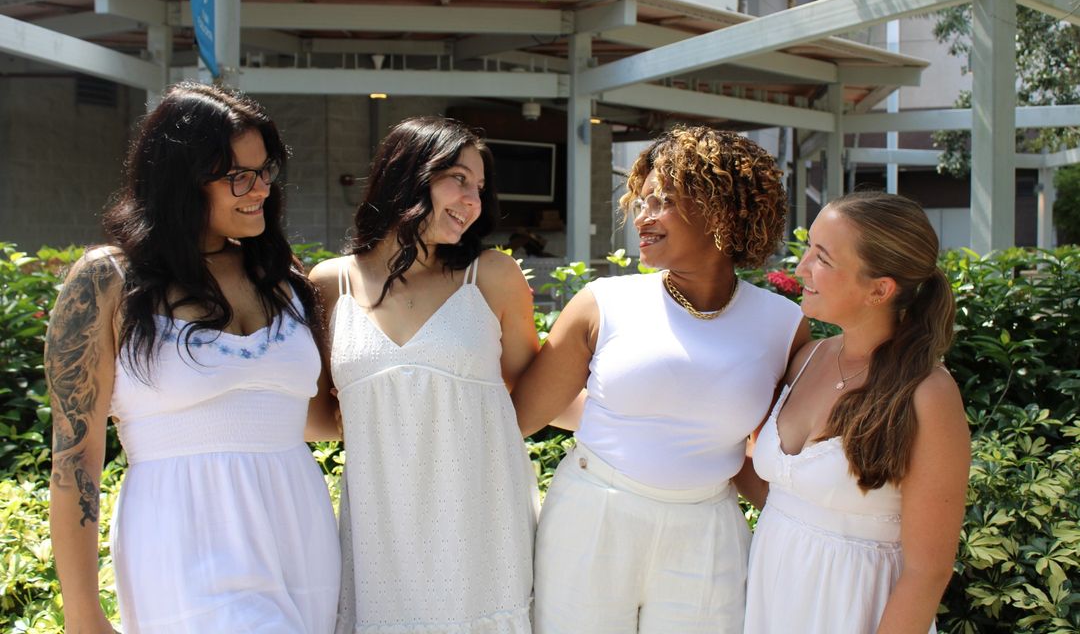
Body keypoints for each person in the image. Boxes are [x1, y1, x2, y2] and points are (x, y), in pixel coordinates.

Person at [45, 82, 341, 634]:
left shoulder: (281, 276)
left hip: (299, 533)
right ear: (181, 181)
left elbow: (314, 418)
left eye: (264, 172)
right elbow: (75, 459)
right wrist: (82, 614)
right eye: (238, 177)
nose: (259, 191)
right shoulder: (107, 279)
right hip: (185, 535)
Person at [511, 126, 811, 634]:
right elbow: (522, 415)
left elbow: (768, 456)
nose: (642, 218)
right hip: (593, 516)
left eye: (663, 201)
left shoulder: (782, 324)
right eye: (641, 201)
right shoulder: (604, 303)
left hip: (708, 531)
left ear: (720, 209)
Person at [309, 116, 540, 633]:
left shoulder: (491, 275)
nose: (473, 200)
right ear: (407, 174)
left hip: (481, 523)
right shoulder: (330, 285)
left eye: (479, 187)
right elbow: (316, 417)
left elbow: (531, 395)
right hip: (379, 532)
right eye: (458, 178)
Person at [743, 191, 970, 634]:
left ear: (880, 289)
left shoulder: (927, 394)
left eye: (822, 258)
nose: (800, 267)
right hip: (775, 596)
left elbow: (928, 572)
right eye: (807, 248)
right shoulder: (807, 357)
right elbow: (789, 495)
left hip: (857, 609)